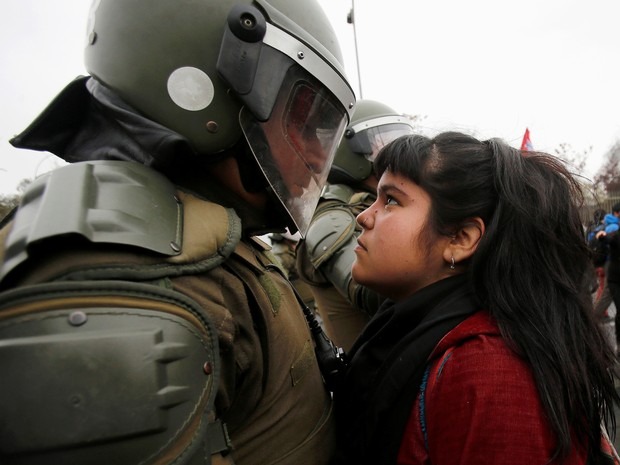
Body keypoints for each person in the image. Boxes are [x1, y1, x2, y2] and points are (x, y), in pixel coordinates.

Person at [0, 1, 355, 464]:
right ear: (204, 87)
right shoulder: (118, 272)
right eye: (302, 118)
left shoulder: (209, 231)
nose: (312, 150)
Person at [332, 132, 620, 465]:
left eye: (391, 200)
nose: (364, 217)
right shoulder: (424, 331)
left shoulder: (487, 373)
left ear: (461, 238)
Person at [295, 99, 415, 350]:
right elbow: (371, 292)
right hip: (372, 378)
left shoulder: (373, 204)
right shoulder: (331, 220)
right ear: (350, 150)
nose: (395, 155)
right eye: (380, 143)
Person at [596, 202, 620, 348]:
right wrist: (601, 236)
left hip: (611, 269)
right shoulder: (614, 231)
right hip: (614, 274)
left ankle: (592, 318)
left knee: (604, 295)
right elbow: (606, 239)